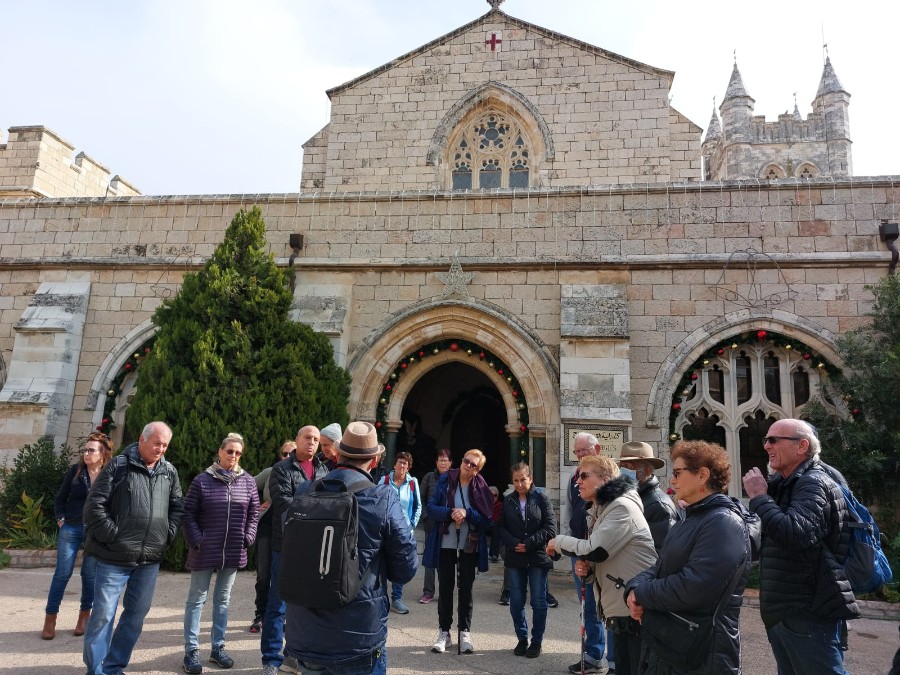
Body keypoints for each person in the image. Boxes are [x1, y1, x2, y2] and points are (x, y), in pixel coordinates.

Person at [283, 421, 418, 674]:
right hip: (358, 637)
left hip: (304, 632)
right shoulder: (383, 499)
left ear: (338, 454)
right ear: (375, 461)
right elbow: (406, 568)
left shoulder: (305, 491)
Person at [741, 418, 859, 675]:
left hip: (806, 612)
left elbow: (795, 533)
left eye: (774, 440)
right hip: (787, 612)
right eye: (766, 440)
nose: (766, 446)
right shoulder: (789, 484)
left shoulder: (814, 482)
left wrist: (759, 497)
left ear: (802, 445)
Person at [625, 440, 753, 674]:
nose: (672, 480)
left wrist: (641, 593)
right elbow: (660, 566)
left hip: (703, 652)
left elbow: (693, 586)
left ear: (702, 475)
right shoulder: (693, 518)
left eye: (677, 473)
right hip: (674, 644)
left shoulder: (723, 523)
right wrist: (633, 588)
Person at [82, 421, 184, 675]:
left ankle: (114, 666)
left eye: (165, 445)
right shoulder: (118, 466)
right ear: (141, 439)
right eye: (157, 443)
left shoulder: (169, 471)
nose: (161, 449)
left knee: (136, 616)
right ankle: (96, 670)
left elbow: (177, 507)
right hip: (113, 557)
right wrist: (113, 536)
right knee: (103, 616)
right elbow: (94, 505)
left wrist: (166, 535)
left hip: (149, 559)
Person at [548, 454, 657, 675]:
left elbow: (596, 550)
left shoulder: (621, 507)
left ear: (606, 479)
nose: (577, 481)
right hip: (622, 607)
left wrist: (557, 542)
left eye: (584, 475)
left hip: (636, 608)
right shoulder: (602, 509)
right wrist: (588, 571)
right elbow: (606, 558)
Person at [181, 432, 260, 674]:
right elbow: (187, 513)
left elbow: (254, 513)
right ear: (220, 452)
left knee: (223, 601)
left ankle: (218, 648)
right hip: (205, 549)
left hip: (233, 551)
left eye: (238, 452)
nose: (233, 456)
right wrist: (197, 540)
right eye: (229, 451)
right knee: (197, 600)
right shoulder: (202, 480)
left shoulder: (247, 481)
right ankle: (191, 651)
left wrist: (247, 538)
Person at [261, 425, 326, 675]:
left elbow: (331, 502)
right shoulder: (281, 469)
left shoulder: (322, 469)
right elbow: (284, 502)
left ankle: (294, 656)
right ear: (297, 440)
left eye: (316, 439)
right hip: (286, 546)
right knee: (277, 605)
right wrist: (317, 510)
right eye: (307, 438)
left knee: (305, 605)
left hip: (313, 547)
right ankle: (271, 659)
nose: (311, 442)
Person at [42, 431, 112, 640]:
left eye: (91, 450)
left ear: (102, 454)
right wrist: (60, 518)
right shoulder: (75, 471)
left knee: (89, 576)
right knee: (62, 574)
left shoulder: (108, 474)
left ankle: (84, 617)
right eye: (85, 449)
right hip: (71, 528)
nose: (86, 453)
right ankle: (50, 618)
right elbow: (60, 498)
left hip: (94, 531)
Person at [424, 448, 494, 655]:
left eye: (473, 465)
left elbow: (486, 519)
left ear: (478, 470)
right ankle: (444, 632)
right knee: (445, 589)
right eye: (466, 461)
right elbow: (431, 508)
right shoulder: (445, 480)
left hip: (468, 545)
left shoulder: (480, 487)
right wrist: (450, 513)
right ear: (461, 460)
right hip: (445, 543)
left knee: (466, 590)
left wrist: (467, 513)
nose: (468, 465)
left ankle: (464, 632)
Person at [561, 432, 611, 674]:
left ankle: (610, 659)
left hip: (599, 551)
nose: (580, 455)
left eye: (584, 450)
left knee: (607, 604)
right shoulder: (572, 477)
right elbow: (569, 512)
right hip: (578, 548)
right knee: (588, 605)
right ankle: (593, 655)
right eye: (577, 451)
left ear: (597, 449)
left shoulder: (606, 479)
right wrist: (570, 543)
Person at [497, 462, 557, 659]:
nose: (520, 484)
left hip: (537, 557)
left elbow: (550, 528)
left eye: (523, 479)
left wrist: (529, 543)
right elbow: (500, 528)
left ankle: (536, 641)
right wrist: (514, 543)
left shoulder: (541, 499)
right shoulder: (508, 501)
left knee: (539, 601)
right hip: (516, 557)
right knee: (516, 601)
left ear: (530, 478)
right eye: (516, 481)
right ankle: (522, 638)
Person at [249, 441, 295, 633]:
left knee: (289, 576)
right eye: (284, 454)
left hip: (291, 529)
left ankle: (284, 617)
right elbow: (247, 485)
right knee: (264, 574)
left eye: (291, 453)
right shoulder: (270, 472)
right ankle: (260, 614)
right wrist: (257, 507)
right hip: (268, 526)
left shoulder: (301, 474)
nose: (287, 457)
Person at [616, 441, 679, 554]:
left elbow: (661, 553)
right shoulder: (631, 496)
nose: (622, 471)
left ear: (647, 470)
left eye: (628, 466)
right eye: (621, 466)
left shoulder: (658, 505)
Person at [378, 451, 421, 615]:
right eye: (400, 462)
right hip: (385, 529)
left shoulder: (412, 483)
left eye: (405, 463)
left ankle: (397, 598)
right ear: (394, 464)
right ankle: (381, 598)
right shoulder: (385, 480)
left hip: (403, 530)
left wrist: (412, 524)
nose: (402, 466)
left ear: (408, 467)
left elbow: (418, 506)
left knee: (401, 563)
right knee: (382, 562)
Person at [418, 449, 451, 604]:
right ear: (436, 463)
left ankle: (445, 592)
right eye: (440, 460)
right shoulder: (429, 477)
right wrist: (425, 516)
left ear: (451, 463)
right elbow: (421, 498)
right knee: (430, 557)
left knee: (446, 559)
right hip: (431, 523)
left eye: (446, 460)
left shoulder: (454, 479)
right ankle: (428, 592)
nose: (443, 463)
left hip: (448, 525)